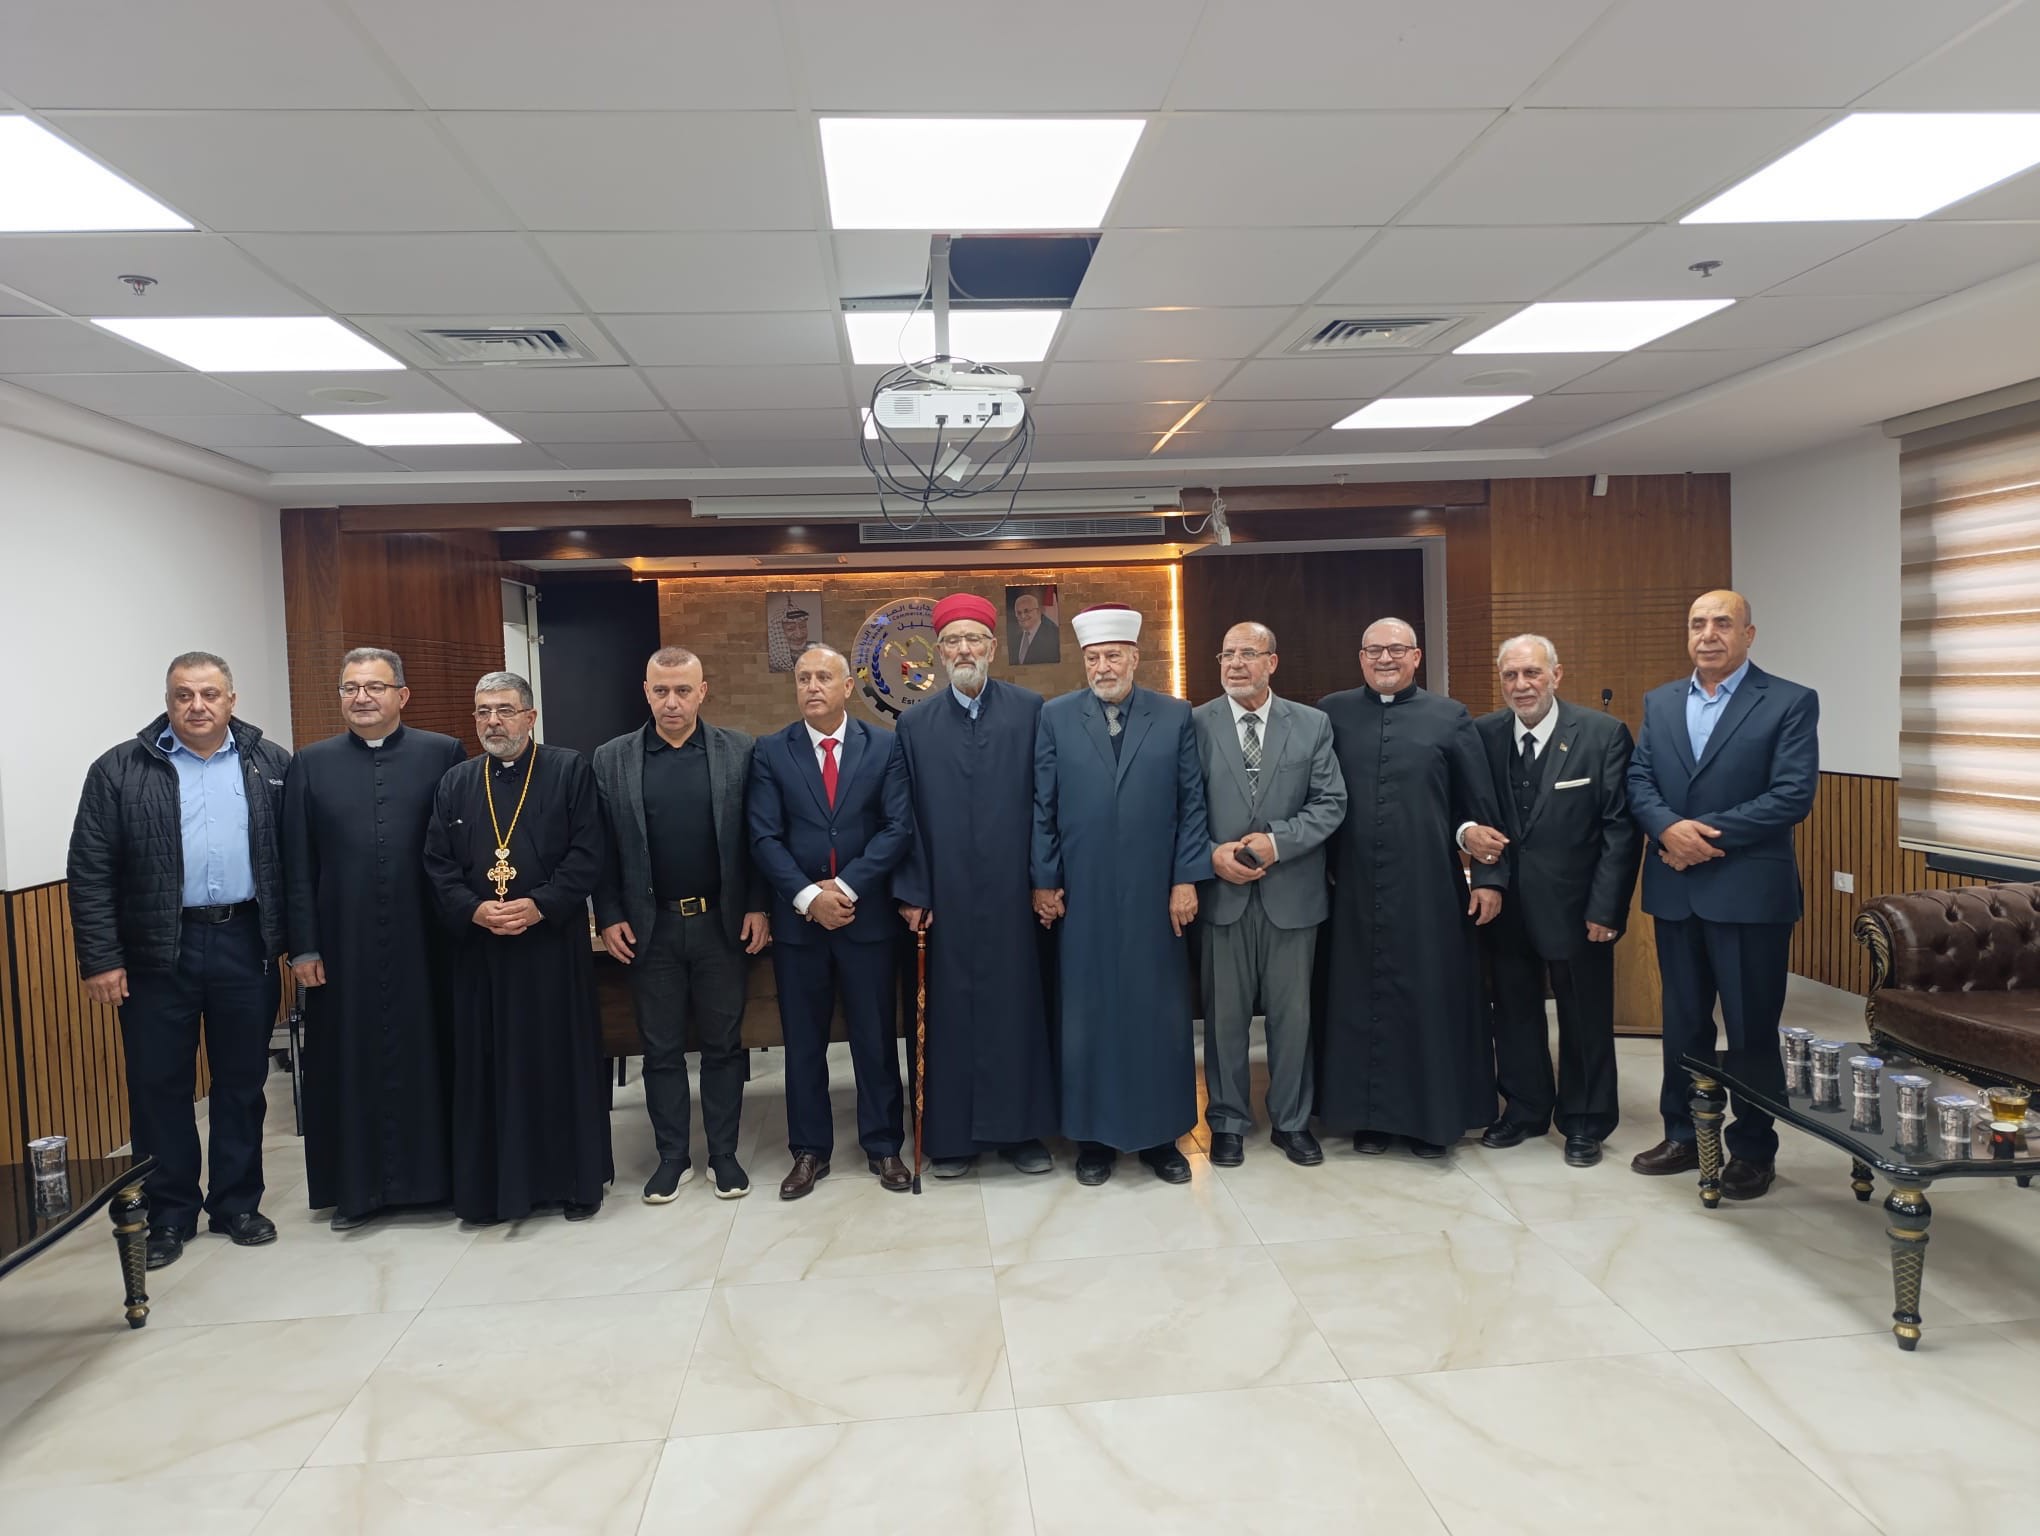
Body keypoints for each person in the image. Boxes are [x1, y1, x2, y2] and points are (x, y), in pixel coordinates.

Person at [67, 652, 291, 1270]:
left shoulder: (269, 763)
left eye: (209, 694)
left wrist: (296, 941)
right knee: (159, 1085)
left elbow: (293, 859)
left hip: (244, 939)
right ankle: (169, 1213)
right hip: (155, 950)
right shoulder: (120, 769)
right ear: (168, 701)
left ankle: (237, 1204)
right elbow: (90, 869)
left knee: (242, 1081)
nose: (197, 706)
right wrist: (101, 958)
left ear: (231, 700)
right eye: (183, 695)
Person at [1627, 591, 1818, 1200]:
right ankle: (1684, 1135)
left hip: (1748, 893)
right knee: (1682, 1023)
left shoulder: (1788, 701)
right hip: (1676, 887)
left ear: (1749, 634)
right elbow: (1639, 778)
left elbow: (1791, 794)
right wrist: (1666, 829)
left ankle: (1753, 1149)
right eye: (1697, 623)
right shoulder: (1660, 701)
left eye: (1722, 623)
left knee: (1750, 1028)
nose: (1708, 634)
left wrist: (1698, 836)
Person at [283, 647, 467, 1229]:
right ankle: (357, 1192)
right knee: (349, 1062)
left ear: (402, 695)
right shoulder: (309, 764)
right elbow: (296, 864)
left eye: (375, 687)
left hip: (428, 941)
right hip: (343, 945)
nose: (361, 697)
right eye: (350, 687)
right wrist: (304, 946)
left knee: (434, 1051)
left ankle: (440, 1182)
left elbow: (464, 848)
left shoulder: (442, 753)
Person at [1032, 604, 1212, 1185]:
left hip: (1154, 894)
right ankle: (1093, 1140)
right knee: (1087, 1015)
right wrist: (1044, 880)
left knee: (1156, 1013)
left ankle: (1162, 1137)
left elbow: (1191, 804)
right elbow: (1043, 806)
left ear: (1135, 657)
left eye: (1113, 656)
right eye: (1093, 658)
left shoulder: (1174, 714)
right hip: (1082, 894)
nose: (1103, 667)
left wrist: (1185, 878)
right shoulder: (1056, 716)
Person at [423, 672, 611, 1223]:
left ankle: (572, 1184)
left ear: (530, 717)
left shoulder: (569, 770)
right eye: (483, 711)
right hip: (481, 952)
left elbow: (589, 851)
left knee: (558, 1063)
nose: (493, 722)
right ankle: (490, 1191)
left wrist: (540, 905)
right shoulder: (456, 781)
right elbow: (436, 863)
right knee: (486, 1070)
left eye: (504, 710)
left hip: (550, 948)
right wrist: (474, 909)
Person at [1317, 618, 1506, 1158]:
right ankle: (1368, 1119)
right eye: (1374, 650)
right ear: (1360, 657)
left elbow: (1476, 808)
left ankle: (1432, 1123)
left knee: (1428, 1002)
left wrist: (1489, 879)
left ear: (1416, 657)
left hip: (1428, 892)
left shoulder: (1450, 717)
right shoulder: (1330, 714)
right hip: (1350, 891)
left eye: (1396, 650)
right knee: (1356, 1002)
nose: (1385, 659)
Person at [594, 647, 770, 1204]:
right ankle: (672, 1157)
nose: (672, 702)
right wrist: (609, 915)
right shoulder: (612, 758)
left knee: (724, 1045)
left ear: (702, 692)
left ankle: (723, 1154)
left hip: (721, 924)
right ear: (646, 692)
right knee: (660, 1049)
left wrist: (758, 904)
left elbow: (757, 837)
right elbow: (600, 847)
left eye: (683, 691)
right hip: (651, 929)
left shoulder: (739, 751)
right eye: (661, 691)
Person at [892, 593, 1057, 1178]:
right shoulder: (913, 724)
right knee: (948, 1015)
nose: (964, 650)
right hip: (946, 898)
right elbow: (903, 815)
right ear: (940, 652)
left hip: (1015, 894)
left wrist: (1044, 878)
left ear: (991, 647)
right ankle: (953, 1139)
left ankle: (1021, 1133)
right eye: (953, 641)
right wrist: (913, 891)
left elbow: (1046, 802)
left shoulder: (1030, 710)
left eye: (974, 640)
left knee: (1018, 1007)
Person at [1464, 636, 1642, 1169]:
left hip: (1578, 908)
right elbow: (1473, 812)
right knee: (1513, 1011)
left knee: (1584, 1016)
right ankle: (1525, 1109)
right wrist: (1480, 862)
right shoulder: (1483, 735)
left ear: (1556, 675)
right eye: (1510, 676)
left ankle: (1585, 1121)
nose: (1521, 685)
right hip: (1506, 906)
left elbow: (1620, 829)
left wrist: (1607, 909)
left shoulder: (1602, 734)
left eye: (1532, 673)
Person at [747, 645, 914, 1200]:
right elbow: (763, 835)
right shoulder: (771, 751)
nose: (812, 686)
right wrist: (806, 896)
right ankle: (809, 1150)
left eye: (823, 677)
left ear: (847, 687)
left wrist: (843, 888)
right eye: (803, 678)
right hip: (800, 926)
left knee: (874, 1037)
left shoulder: (884, 746)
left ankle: (884, 1145)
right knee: (803, 1042)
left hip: (866, 920)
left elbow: (896, 827)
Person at [1194, 622, 1347, 1168]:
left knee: (1293, 1018)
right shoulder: (1195, 724)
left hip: (1293, 895)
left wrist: (1278, 843)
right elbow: (1180, 807)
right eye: (1226, 654)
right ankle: (1228, 1121)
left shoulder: (1311, 724)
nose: (1235, 664)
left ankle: (1292, 1121)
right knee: (1224, 1019)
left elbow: (1331, 802)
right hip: (1222, 897)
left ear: (1272, 662)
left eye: (1248, 654)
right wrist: (1210, 854)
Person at [1009, 589, 1060, 666]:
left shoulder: (1053, 635)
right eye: (1019, 613)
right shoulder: (1015, 640)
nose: (1023, 616)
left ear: (1038, 611)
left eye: (1026, 611)